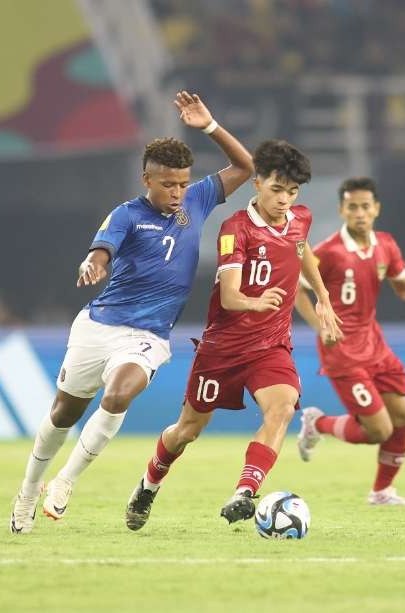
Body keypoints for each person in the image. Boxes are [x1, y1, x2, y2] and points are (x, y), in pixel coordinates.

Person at [10, 91, 254, 534]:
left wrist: (210, 127)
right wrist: (93, 262)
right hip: (99, 325)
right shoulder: (126, 214)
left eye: (182, 182)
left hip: (148, 336)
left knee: (120, 394)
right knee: (64, 412)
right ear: (147, 179)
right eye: (168, 184)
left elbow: (245, 168)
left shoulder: (198, 200)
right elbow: (102, 251)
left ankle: (65, 482)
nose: (177, 191)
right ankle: (28, 490)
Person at [123, 139, 343, 530]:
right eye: (277, 190)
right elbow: (229, 294)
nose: (285, 200)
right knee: (186, 431)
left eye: (292, 192)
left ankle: (245, 491)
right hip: (222, 350)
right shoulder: (235, 229)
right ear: (257, 183)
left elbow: (300, 247)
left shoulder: (300, 218)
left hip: (270, 348)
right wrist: (254, 303)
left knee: (283, 408)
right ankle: (148, 484)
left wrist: (322, 296)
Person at [293, 177, 405, 505]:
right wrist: (320, 325)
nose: (360, 213)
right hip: (342, 352)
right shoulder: (329, 252)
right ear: (341, 210)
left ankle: (382, 492)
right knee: (378, 430)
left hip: (375, 345)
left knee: (402, 418)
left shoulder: (386, 245)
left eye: (366, 206)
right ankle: (317, 423)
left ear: (376, 209)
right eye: (352, 207)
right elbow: (297, 290)